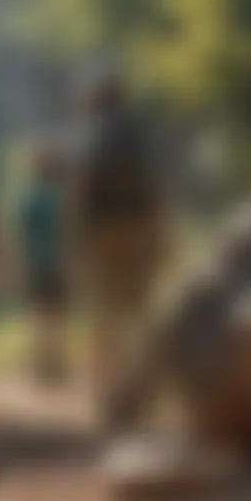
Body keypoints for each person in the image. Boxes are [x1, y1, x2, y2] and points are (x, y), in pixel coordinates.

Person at [68, 67, 167, 428]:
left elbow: (84, 188)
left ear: (95, 101)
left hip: (104, 232)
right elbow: (156, 186)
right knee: (139, 309)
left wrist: (77, 234)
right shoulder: (138, 134)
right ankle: (140, 387)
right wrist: (160, 232)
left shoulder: (94, 136)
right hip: (139, 228)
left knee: (106, 311)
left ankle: (110, 393)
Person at [18, 139, 69, 384]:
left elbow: (22, 232)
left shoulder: (30, 197)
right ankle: (54, 362)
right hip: (57, 262)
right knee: (56, 315)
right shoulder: (59, 197)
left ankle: (41, 363)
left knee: (38, 314)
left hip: (36, 263)